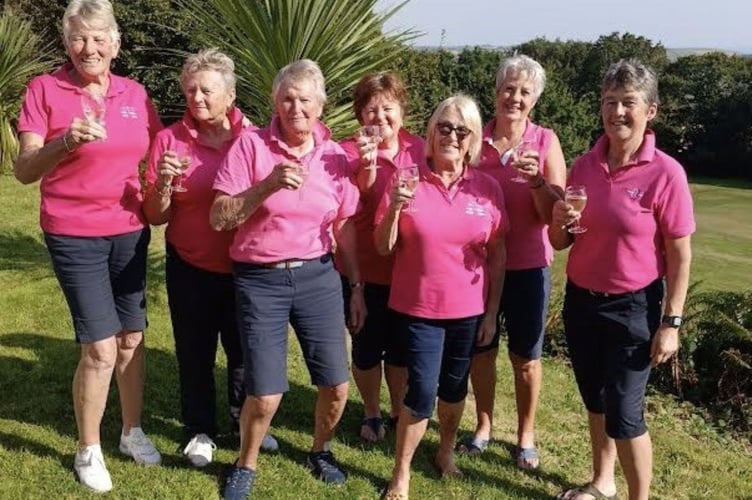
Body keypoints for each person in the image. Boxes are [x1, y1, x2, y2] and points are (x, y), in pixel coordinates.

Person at [13, 0, 162, 493]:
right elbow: (24, 170)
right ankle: (88, 447)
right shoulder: (45, 90)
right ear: (66, 43)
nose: (89, 48)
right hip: (73, 231)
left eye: (99, 38)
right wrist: (64, 143)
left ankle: (131, 431)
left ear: (116, 44)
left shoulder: (136, 95)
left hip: (128, 228)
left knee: (131, 338)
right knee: (99, 347)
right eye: (79, 38)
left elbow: (163, 152)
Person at [209, 59, 366, 500]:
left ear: (321, 105)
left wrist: (355, 286)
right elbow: (219, 217)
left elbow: (344, 225)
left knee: (336, 384)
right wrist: (267, 186)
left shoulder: (333, 156)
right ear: (275, 102)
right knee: (265, 393)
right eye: (287, 99)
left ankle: (321, 450)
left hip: (318, 277)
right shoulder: (250, 147)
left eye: (305, 99)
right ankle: (246, 463)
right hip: (261, 279)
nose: (295, 107)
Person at [549, 59, 694, 500]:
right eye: (610, 102)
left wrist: (671, 323)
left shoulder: (666, 172)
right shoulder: (585, 165)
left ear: (650, 110)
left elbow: (680, 254)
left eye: (628, 102)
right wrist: (560, 219)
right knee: (596, 399)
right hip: (582, 301)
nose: (618, 112)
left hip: (634, 306)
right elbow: (560, 242)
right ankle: (602, 481)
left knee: (625, 413)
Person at [143, 48, 278, 468]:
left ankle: (244, 423)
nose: (196, 98)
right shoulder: (169, 140)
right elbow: (155, 216)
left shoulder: (253, 138)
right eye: (190, 90)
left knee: (243, 351)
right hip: (191, 265)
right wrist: (164, 183)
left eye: (206, 90)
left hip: (245, 266)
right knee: (195, 352)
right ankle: (198, 429)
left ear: (230, 95)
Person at [376, 95, 508, 500]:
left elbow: (498, 252)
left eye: (461, 130)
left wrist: (491, 312)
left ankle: (445, 450)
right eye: (443, 127)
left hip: (468, 311)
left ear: (472, 140)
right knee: (421, 392)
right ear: (431, 134)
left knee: (454, 389)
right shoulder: (406, 179)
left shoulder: (486, 189)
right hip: (418, 309)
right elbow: (383, 247)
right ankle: (401, 473)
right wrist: (395, 210)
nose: (451, 136)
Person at [462, 54, 566, 469]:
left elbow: (557, 214)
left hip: (528, 267)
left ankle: (525, 433)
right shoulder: (474, 139)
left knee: (525, 357)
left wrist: (537, 181)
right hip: (477, 267)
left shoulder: (546, 141)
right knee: (481, 350)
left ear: (535, 100)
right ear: (496, 91)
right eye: (509, 88)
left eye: (525, 92)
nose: (515, 98)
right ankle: (484, 425)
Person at [335, 72, 423, 442]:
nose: (380, 117)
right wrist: (366, 166)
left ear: (402, 111)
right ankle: (371, 411)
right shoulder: (345, 152)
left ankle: (397, 407)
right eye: (371, 110)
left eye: (388, 108)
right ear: (360, 115)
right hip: (364, 268)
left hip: (409, 271)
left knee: (402, 350)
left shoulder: (420, 150)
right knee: (368, 346)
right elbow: (348, 208)